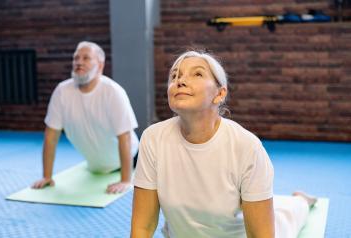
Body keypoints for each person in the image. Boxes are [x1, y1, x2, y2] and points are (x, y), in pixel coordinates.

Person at [131, 50, 317, 237]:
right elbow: (143, 227)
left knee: (286, 218)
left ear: (219, 94)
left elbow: (261, 235)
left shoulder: (246, 146)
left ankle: (299, 201)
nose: (180, 80)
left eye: (197, 73)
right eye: (175, 76)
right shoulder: (153, 139)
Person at [32, 41, 139, 194]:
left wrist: (126, 180)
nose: (79, 62)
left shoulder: (113, 91)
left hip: (134, 161)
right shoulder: (62, 91)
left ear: (100, 66)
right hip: (95, 168)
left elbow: (125, 138)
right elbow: (51, 136)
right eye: (76, 58)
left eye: (86, 58)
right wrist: (46, 176)